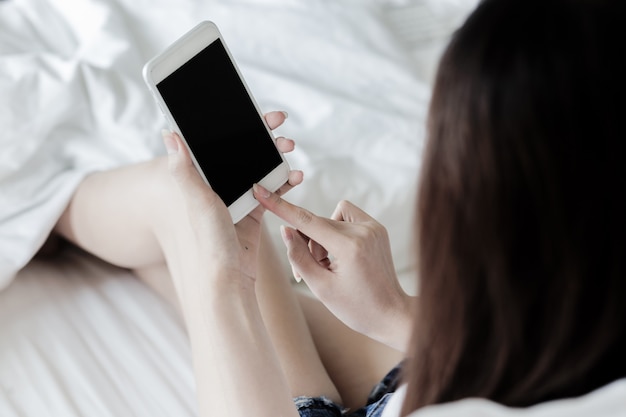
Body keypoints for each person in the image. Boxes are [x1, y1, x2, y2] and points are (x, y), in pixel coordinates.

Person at [52, 0, 626, 416]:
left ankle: (50, 208)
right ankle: (59, 209)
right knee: (205, 206)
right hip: (441, 369)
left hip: (422, 384)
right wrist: (394, 310)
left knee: (188, 215)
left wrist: (222, 284)